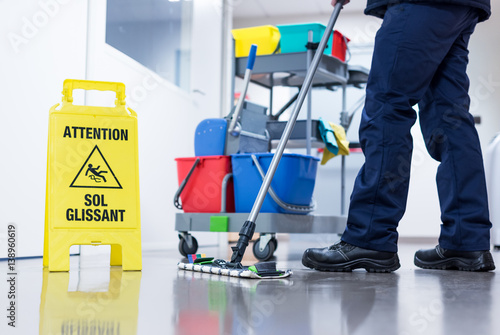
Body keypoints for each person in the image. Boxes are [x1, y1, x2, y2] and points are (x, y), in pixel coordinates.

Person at [302, 0, 496, 272]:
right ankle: (466, 242)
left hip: (416, 4)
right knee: (449, 118)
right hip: (464, 6)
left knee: (387, 105)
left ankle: (370, 237)